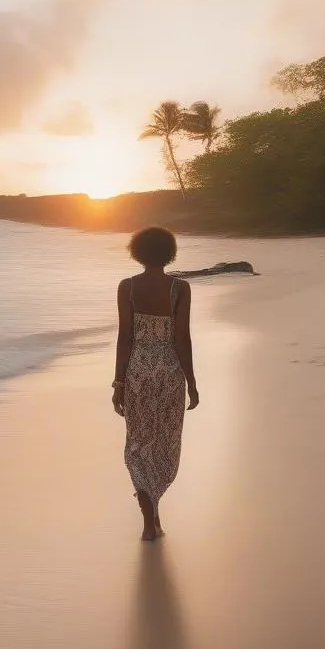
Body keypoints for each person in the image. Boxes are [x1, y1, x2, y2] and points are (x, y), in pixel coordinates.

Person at [112, 227, 199, 541]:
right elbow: (182, 339)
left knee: (138, 443)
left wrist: (118, 383)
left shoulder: (128, 287)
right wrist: (191, 381)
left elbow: (125, 338)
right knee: (164, 442)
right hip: (169, 374)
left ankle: (150, 521)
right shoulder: (180, 288)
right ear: (169, 253)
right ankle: (155, 514)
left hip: (137, 373)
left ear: (137, 252)